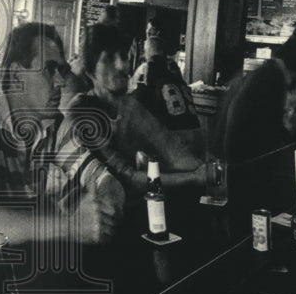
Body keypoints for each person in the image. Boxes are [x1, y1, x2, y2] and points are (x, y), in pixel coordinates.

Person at [0, 23, 117, 245]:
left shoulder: (52, 123)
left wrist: (103, 212)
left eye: (62, 71)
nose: (61, 82)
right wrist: (70, 226)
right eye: (49, 69)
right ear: (16, 75)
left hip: (22, 266)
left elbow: (104, 179)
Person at [57, 24, 205, 199]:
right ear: (90, 71)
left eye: (123, 56)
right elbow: (129, 179)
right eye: (108, 59)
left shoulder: (128, 106)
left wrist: (203, 169)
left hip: (124, 208)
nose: (121, 65)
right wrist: (193, 178)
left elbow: (172, 151)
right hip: (89, 217)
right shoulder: (82, 112)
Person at [212, 28, 296, 162]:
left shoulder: (267, 71)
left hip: (235, 155)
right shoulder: (272, 78)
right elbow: (270, 128)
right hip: (244, 159)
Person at [128, 37, 204, 158]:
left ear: (146, 54)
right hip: (199, 142)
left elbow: (133, 102)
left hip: (177, 147)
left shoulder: (148, 71)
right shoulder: (176, 77)